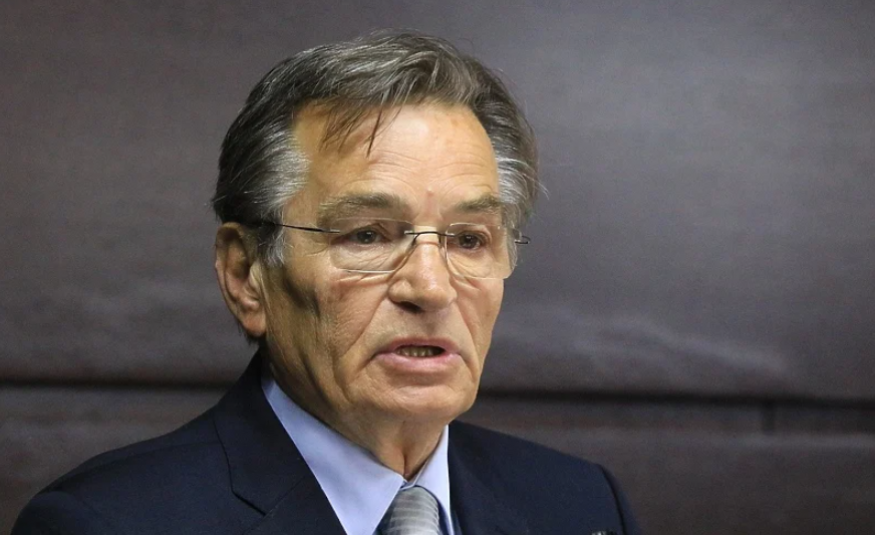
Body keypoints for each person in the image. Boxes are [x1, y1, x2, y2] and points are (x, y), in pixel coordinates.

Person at [13, 32, 640, 535]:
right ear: (246, 275)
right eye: (367, 235)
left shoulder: (580, 504)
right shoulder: (108, 522)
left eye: (468, 240)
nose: (431, 287)